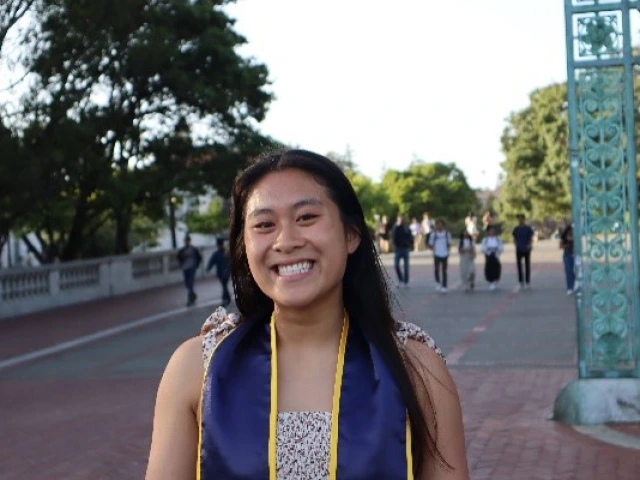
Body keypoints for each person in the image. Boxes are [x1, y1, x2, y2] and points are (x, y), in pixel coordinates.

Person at [145, 150, 469, 479]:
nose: (286, 241)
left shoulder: (417, 368)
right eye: (264, 225)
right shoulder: (198, 370)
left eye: (306, 218)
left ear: (351, 234)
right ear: (244, 245)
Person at [177, 235, 202, 306]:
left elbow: (199, 257)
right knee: (187, 284)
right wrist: (181, 264)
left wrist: (196, 265)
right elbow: (178, 258)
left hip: (192, 268)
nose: (187, 242)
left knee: (190, 283)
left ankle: (189, 300)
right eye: (186, 241)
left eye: (188, 241)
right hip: (185, 268)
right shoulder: (182, 250)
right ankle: (193, 295)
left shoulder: (194, 249)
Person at [206, 237, 232, 306]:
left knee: (224, 285)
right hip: (220, 273)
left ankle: (226, 299)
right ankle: (227, 298)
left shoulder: (226, 252)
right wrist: (208, 268)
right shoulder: (217, 254)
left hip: (226, 273)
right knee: (224, 285)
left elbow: (231, 260)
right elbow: (211, 262)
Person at [429, 219, 452, 293]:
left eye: (441, 225)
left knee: (444, 271)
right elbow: (431, 244)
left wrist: (448, 251)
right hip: (437, 254)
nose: (439, 227)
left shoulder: (447, 234)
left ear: (444, 226)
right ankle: (438, 282)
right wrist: (433, 250)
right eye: (438, 225)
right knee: (436, 269)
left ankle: (444, 286)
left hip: (444, 253)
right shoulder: (433, 234)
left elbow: (449, 243)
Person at [512, 214, 534, 289]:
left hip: (526, 248)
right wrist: (516, 244)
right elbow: (514, 238)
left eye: (521, 219)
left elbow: (531, 238)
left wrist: (530, 245)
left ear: (524, 219)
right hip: (519, 248)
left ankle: (527, 281)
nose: (520, 220)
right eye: (519, 219)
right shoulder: (516, 229)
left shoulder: (528, 228)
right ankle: (521, 281)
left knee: (527, 265)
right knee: (519, 265)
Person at [392, 215, 413, 287]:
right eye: (399, 220)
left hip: (405, 248)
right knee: (396, 265)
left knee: (406, 266)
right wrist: (394, 245)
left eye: (402, 220)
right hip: (398, 248)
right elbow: (393, 237)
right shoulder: (396, 228)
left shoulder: (407, 228)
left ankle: (406, 281)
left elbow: (410, 237)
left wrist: (409, 244)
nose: (400, 221)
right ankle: (400, 279)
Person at [482, 225, 503, 290]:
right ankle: (490, 281)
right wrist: (488, 252)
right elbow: (483, 247)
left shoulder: (498, 239)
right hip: (488, 254)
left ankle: (495, 280)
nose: (492, 232)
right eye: (490, 231)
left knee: (497, 267)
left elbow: (501, 246)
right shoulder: (485, 239)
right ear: (488, 232)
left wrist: (497, 252)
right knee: (489, 268)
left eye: (493, 231)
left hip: (495, 254)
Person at [560, 225, 575, 295]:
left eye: (571, 231)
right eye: (569, 231)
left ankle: (574, 285)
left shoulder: (575, 237)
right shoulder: (564, 237)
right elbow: (560, 246)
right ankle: (569, 288)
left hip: (574, 255)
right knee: (568, 272)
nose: (570, 232)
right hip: (567, 255)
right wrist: (566, 246)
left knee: (574, 271)